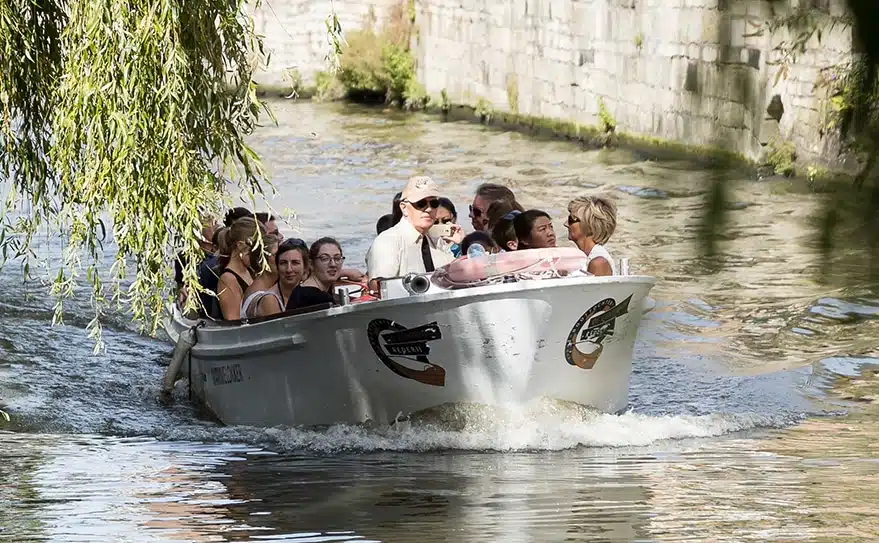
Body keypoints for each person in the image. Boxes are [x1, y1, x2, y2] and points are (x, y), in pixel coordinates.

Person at [366, 176, 463, 279]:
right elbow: (380, 285)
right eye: (421, 203)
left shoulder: (437, 240)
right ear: (404, 208)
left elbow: (457, 275)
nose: (429, 209)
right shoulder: (388, 241)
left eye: (434, 203)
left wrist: (462, 244)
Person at [215, 217, 264, 320]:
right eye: (257, 249)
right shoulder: (228, 280)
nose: (260, 255)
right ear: (240, 245)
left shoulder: (250, 271)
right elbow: (233, 320)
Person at [565, 196, 617, 276]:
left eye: (571, 219)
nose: (565, 224)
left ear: (589, 226)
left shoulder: (598, 263)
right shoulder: (587, 258)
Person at [240, 233, 282, 319]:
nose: (282, 258)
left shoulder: (269, 288)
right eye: (277, 255)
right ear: (261, 260)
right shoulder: (265, 298)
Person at [287, 239, 336, 310]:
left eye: (337, 258)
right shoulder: (321, 299)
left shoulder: (299, 290)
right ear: (311, 264)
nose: (333, 264)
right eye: (324, 259)